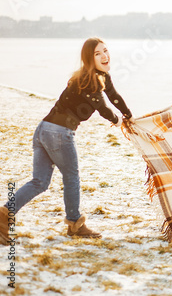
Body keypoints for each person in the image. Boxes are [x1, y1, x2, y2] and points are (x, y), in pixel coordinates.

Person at [0, 37, 133, 244]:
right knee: (71, 176)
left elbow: (113, 96)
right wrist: (116, 120)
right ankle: (75, 225)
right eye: (97, 53)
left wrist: (128, 114)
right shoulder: (88, 80)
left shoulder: (100, 76)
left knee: (40, 182)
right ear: (89, 58)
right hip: (59, 133)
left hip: (44, 129)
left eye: (105, 51)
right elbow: (102, 107)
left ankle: (3, 216)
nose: (104, 56)